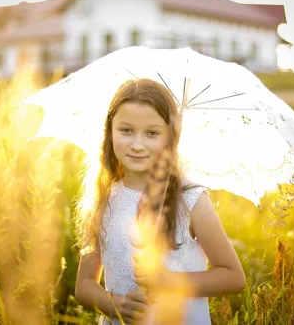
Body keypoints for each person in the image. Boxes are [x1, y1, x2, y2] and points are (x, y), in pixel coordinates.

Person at [74, 78, 246, 324]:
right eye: (126, 130)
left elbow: (234, 277)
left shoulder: (190, 199)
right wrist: (113, 304)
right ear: (109, 132)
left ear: (170, 137)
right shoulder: (105, 198)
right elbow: (84, 286)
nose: (137, 144)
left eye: (152, 133)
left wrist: (170, 282)